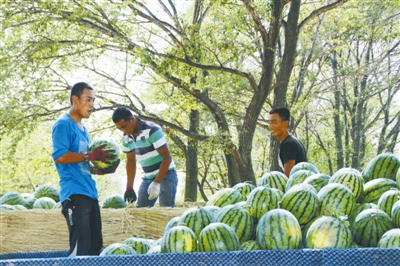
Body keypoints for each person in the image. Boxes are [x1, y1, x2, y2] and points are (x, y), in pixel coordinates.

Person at [52, 82, 119, 256]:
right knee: (79, 250)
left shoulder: (84, 130)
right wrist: (91, 155)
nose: (92, 105)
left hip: (90, 194)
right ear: (75, 99)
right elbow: (61, 156)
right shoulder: (63, 124)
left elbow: (81, 164)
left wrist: (100, 171)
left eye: (94, 100)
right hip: (74, 194)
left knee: (94, 248)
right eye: (88, 100)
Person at [112, 107, 178, 208]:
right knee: (140, 212)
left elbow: (167, 158)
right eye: (119, 128)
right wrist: (129, 187)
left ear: (132, 119)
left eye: (124, 126)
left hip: (166, 175)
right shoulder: (126, 137)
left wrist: (156, 182)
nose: (123, 130)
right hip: (148, 178)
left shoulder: (152, 130)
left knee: (166, 210)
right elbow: (130, 162)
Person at [269, 107, 307, 177]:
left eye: (274, 122)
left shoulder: (289, 144)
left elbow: (288, 177)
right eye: (270, 123)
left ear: (285, 124)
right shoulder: (291, 141)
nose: (271, 126)